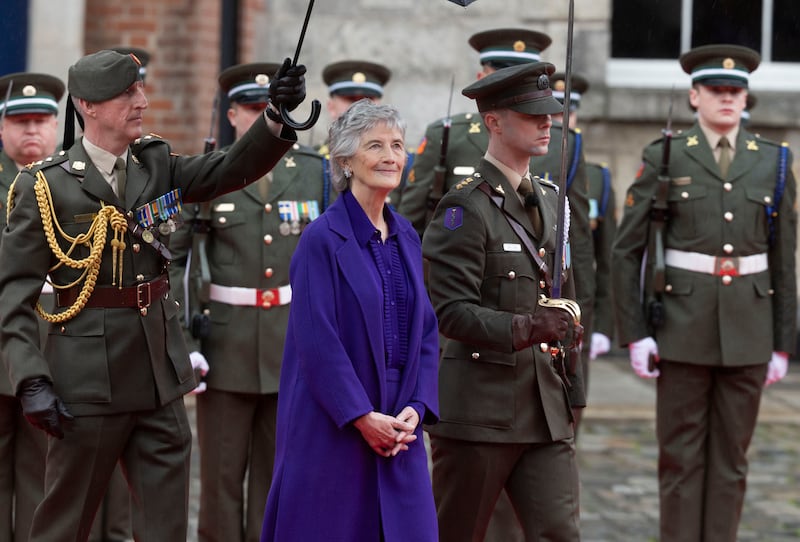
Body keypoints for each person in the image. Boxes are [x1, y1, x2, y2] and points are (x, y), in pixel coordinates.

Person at [0, 49, 305, 541]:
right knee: (64, 523)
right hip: (86, 383)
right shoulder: (45, 187)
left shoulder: (154, 161)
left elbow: (227, 169)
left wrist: (274, 117)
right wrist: (31, 378)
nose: (142, 101)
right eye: (127, 93)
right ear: (88, 106)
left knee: (165, 525)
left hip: (158, 375)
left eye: (140, 88)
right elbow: (11, 296)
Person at [612, 44, 796, 541]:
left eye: (736, 91)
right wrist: (635, 333)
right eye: (717, 90)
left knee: (732, 462)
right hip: (680, 326)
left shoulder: (774, 163)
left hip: (750, 330)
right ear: (695, 96)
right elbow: (626, 250)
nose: (728, 99)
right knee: (680, 459)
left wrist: (783, 341)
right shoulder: (665, 155)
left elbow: (783, 257)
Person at [260, 99, 440, 542]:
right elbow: (317, 343)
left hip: (400, 428)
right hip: (335, 428)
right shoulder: (321, 239)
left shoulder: (406, 236)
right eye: (375, 145)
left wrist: (416, 408)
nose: (391, 156)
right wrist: (361, 416)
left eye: (397, 145)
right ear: (345, 160)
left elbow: (426, 334)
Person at [167, 61, 327, 542]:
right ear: (232, 114)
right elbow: (175, 263)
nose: (262, 116)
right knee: (219, 482)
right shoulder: (207, 175)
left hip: (291, 344)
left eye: (270, 108)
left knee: (278, 481)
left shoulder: (314, 173)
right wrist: (182, 338)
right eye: (254, 108)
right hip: (224, 348)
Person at [422, 61, 582, 542]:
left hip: (543, 408)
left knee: (560, 533)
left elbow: (563, 294)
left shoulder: (553, 200)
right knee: (457, 533)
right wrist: (527, 327)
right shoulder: (463, 208)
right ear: (493, 121)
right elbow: (449, 312)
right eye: (532, 113)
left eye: (549, 112)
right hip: (479, 412)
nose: (546, 122)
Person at [0, 71, 63, 542]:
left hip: (52, 343)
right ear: (1, 127)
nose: (31, 131)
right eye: (19, 121)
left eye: (41, 119)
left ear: (57, 126)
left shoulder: (69, 184)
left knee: (44, 474)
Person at [550, 71, 618, 424]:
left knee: (572, 406)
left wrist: (602, 322)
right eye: (554, 114)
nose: (562, 122)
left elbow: (603, 259)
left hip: (578, 305)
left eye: (568, 114)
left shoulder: (599, 177)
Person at [318, 59, 408, 208]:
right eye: (351, 99)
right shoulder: (312, 161)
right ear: (331, 106)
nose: (359, 108)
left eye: (367, 100)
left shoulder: (403, 162)